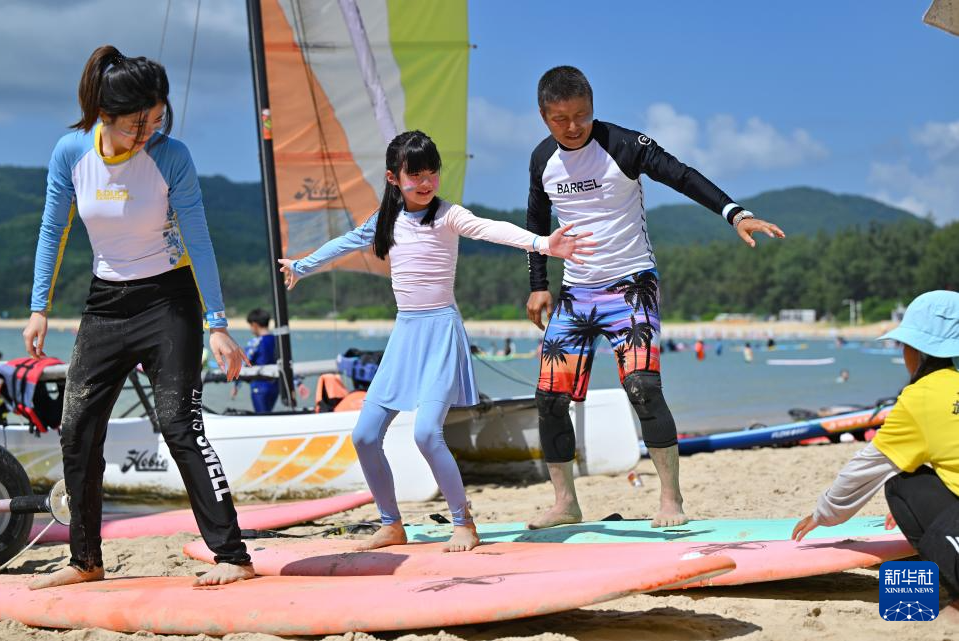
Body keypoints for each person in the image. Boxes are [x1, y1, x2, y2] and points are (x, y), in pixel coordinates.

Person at [280, 131, 593, 553]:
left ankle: (464, 523)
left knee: (427, 433)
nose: (426, 182)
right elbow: (345, 242)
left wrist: (542, 243)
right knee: (365, 436)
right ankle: (391, 524)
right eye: (416, 175)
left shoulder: (447, 216)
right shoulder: (385, 220)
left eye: (432, 173)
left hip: (441, 333)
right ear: (393, 178)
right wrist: (302, 266)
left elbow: (491, 229)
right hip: (405, 335)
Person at [22, 46, 254, 589]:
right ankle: (85, 560)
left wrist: (218, 323)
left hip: (168, 302)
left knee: (180, 426)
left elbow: (198, 237)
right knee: (78, 429)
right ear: (105, 115)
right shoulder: (71, 153)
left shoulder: (172, 156)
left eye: (157, 118)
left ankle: (232, 555)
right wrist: (38, 309)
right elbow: (53, 230)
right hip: (105, 305)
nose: (149, 131)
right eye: (137, 123)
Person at [524, 66, 785, 529]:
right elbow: (537, 222)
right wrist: (538, 284)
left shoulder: (625, 145)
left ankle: (670, 499)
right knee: (549, 398)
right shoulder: (542, 158)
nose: (573, 126)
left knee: (643, 387)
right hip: (576, 291)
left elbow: (682, 175)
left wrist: (735, 214)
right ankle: (565, 503)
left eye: (582, 115)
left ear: (592, 106)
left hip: (631, 285)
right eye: (561, 118)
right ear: (545, 116)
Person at [792, 290, 959, 616]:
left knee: (901, 483)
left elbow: (863, 470)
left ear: (919, 352)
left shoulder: (919, 398)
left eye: (903, 345)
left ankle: (947, 597)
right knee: (919, 479)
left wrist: (822, 514)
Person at [231, 308, 279, 412]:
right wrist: (297, 384)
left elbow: (244, 364)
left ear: (254, 325)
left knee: (261, 416)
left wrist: (236, 385)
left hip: (259, 387)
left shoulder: (255, 342)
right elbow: (285, 363)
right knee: (268, 414)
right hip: (275, 387)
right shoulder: (278, 341)